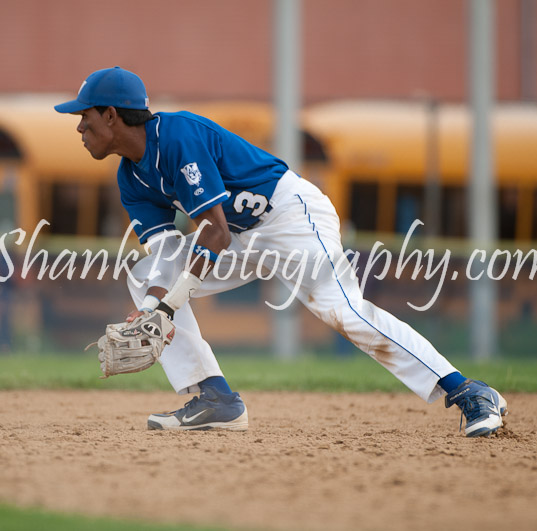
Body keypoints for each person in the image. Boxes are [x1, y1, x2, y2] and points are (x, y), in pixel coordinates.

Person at [54, 66, 508, 437]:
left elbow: (213, 231)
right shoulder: (130, 178)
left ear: (112, 116)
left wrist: (168, 307)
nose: (79, 126)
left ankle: (468, 391)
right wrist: (154, 306)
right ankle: (216, 398)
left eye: (85, 117)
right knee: (143, 278)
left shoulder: (178, 137)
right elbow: (163, 254)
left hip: (291, 217)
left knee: (341, 310)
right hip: (238, 234)